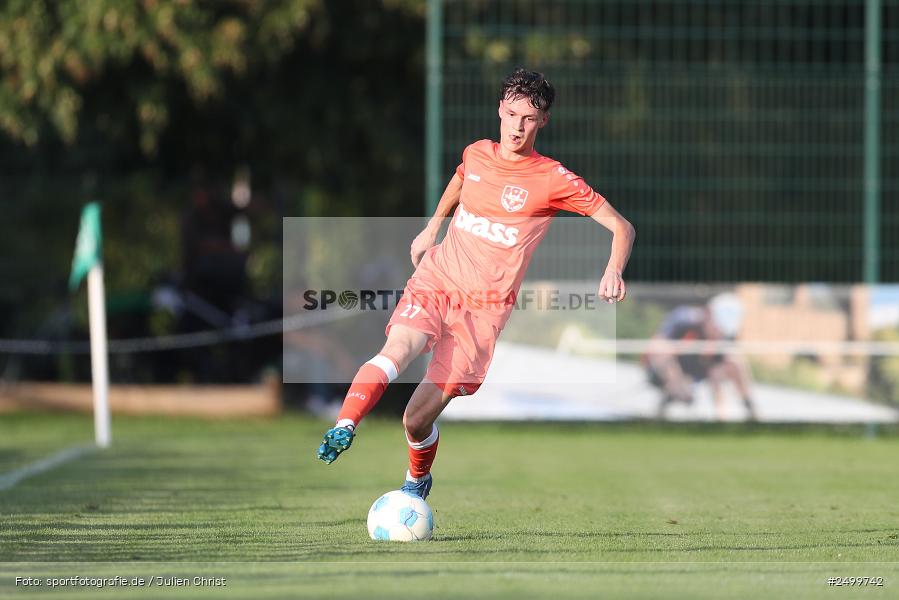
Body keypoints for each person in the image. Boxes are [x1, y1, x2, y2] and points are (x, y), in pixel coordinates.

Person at [316, 68, 636, 499]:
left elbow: (621, 227)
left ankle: (417, 478)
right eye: (510, 114)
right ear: (499, 111)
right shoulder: (478, 153)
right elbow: (462, 177)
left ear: (543, 121)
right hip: (438, 279)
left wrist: (613, 268)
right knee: (396, 350)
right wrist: (432, 229)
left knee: (415, 420)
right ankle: (344, 425)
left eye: (528, 118)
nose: (517, 127)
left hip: (483, 311)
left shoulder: (553, 179)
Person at [644, 292, 758, 421]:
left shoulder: (723, 336)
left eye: (722, 331)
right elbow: (657, 345)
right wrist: (681, 352)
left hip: (699, 372)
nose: (718, 334)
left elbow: (721, 364)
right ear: (709, 314)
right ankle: (671, 396)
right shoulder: (684, 319)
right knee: (663, 353)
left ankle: (744, 413)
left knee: (735, 362)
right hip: (670, 371)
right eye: (717, 328)